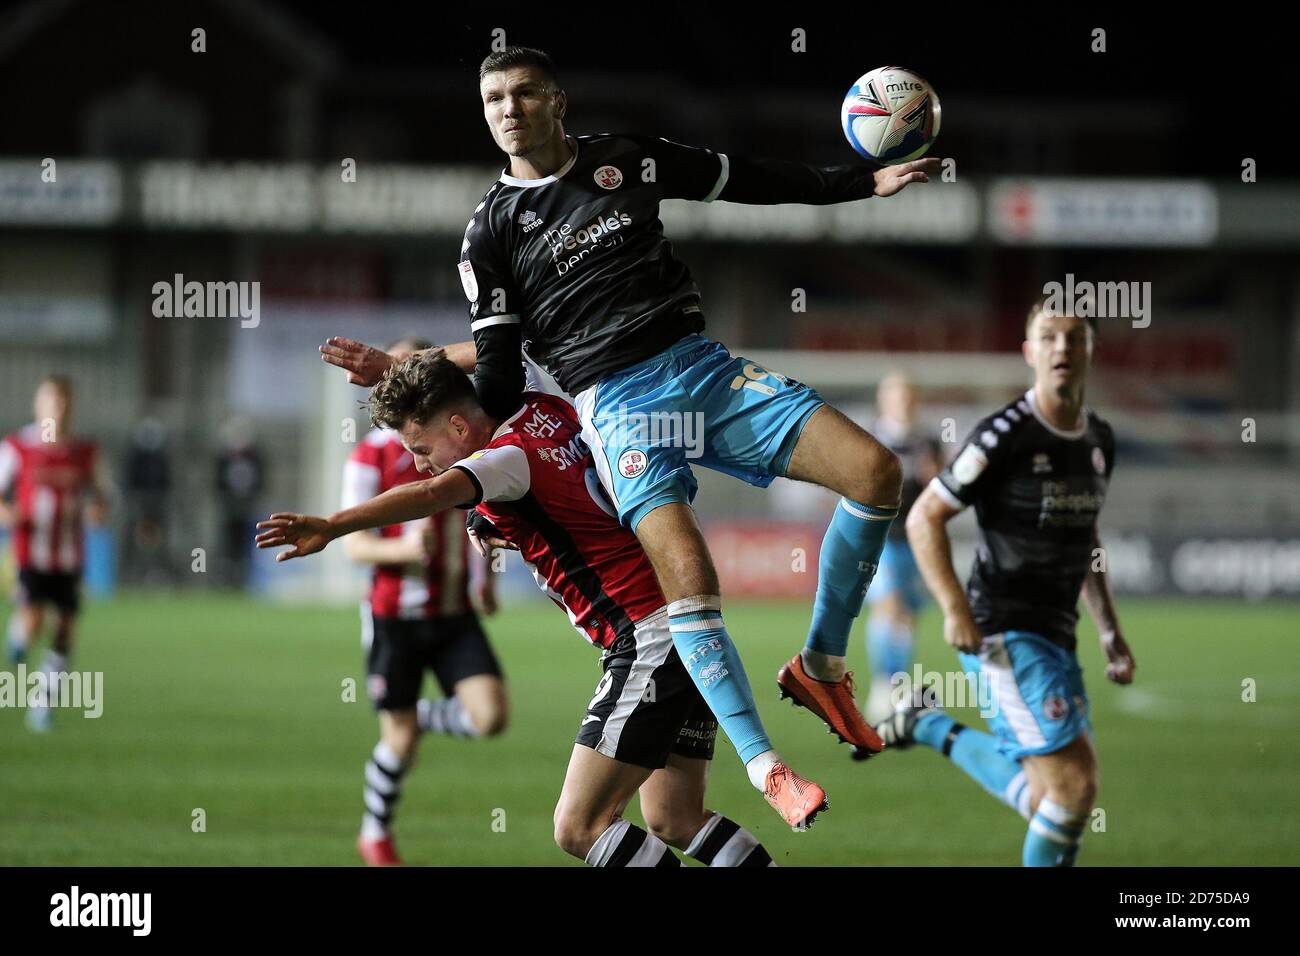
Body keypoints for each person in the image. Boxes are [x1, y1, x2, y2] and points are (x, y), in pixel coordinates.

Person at [320, 46, 945, 821]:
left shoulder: (628, 160)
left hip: (703, 371)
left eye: (522, 93)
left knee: (877, 472)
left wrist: (861, 183)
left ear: (558, 100)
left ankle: (820, 664)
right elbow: (501, 370)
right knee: (690, 574)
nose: (507, 109)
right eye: (492, 100)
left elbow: (742, 178)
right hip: (616, 408)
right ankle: (768, 770)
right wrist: (468, 468)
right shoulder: (490, 234)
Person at [257, 349, 809, 862]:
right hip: (686, 630)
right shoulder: (546, 401)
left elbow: (430, 496)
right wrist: (399, 365)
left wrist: (332, 525)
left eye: (423, 450)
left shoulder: (504, 459)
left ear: (457, 426)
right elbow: (503, 347)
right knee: (674, 818)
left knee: (579, 826)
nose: (424, 466)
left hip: (647, 639)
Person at [883, 299, 1136, 866]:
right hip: (1003, 629)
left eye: (1075, 337)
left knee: (1049, 795)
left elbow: (1086, 538)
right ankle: (928, 725)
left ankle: (928, 725)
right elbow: (926, 515)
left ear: (1092, 350)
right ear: (1029, 352)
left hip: (1058, 632)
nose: (1062, 348)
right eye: (1048, 337)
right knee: (1075, 787)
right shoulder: (1004, 435)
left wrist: (1108, 630)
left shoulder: (1099, 440)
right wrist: (954, 609)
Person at [341, 337, 508, 867]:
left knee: (491, 718)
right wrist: (404, 547)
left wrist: (485, 576)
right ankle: (375, 833)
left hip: (454, 611)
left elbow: (478, 512)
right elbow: (355, 545)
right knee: (400, 745)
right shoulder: (371, 455)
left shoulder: (461, 445)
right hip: (396, 617)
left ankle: (416, 714)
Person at [0, 376, 111, 731]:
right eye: (51, 401)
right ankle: (18, 636)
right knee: (33, 620)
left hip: (69, 555)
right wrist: (9, 514)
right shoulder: (18, 448)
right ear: (38, 404)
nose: (58, 409)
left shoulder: (84, 453)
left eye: (64, 402)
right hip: (29, 552)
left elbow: (101, 496)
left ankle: (42, 705)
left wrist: (98, 512)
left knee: (65, 628)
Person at [855, 373, 943, 730]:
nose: (902, 401)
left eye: (908, 394)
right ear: (884, 399)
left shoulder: (928, 443)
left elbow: (942, 489)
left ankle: (896, 684)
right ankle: (882, 683)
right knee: (888, 604)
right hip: (881, 538)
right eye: (895, 395)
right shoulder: (871, 437)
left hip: (917, 539)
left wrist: (933, 475)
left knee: (906, 613)